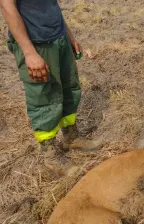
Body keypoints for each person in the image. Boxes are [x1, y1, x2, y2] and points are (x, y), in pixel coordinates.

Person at [1, 0, 102, 177]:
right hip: (37, 43)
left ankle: (71, 137)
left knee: (69, 88)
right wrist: (29, 52)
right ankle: (50, 154)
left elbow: (51, 5)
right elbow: (8, 7)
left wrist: (69, 36)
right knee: (44, 98)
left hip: (58, 38)